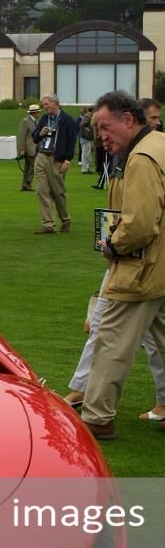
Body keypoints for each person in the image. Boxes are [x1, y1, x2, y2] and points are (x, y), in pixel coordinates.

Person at [78, 91, 165, 440]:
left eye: (105, 127)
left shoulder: (141, 157)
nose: (102, 136)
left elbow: (140, 223)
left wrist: (113, 245)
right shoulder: (158, 144)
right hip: (160, 266)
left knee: (111, 339)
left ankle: (97, 417)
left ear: (128, 119)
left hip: (141, 268)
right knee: (161, 340)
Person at [31, 93, 76, 234]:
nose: (45, 107)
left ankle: (65, 219)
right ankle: (48, 224)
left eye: (47, 104)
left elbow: (72, 141)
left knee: (58, 192)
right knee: (42, 191)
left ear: (55, 103)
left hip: (56, 159)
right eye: (43, 105)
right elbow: (34, 138)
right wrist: (41, 134)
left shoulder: (67, 120)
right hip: (41, 156)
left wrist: (67, 160)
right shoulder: (44, 119)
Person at [16, 103, 40, 191]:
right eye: (38, 112)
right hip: (29, 148)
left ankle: (25, 185)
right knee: (32, 166)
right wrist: (22, 149)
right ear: (34, 112)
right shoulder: (25, 121)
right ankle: (27, 183)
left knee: (28, 167)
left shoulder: (36, 122)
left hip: (35, 147)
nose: (39, 114)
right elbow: (22, 136)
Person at [78, 107, 94, 174]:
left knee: (87, 153)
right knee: (86, 153)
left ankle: (87, 168)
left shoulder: (87, 116)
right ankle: (85, 169)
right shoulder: (88, 116)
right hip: (85, 138)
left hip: (84, 137)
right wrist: (86, 133)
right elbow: (82, 125)